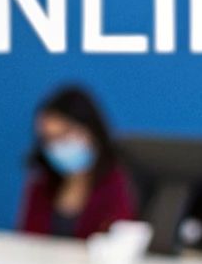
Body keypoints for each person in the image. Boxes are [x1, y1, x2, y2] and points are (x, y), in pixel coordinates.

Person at [17, 84, 139, 240]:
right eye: (49, 139)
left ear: (91, 130)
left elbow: (120, 240)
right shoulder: (42, 184)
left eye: (65, 134)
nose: (57, 146)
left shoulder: (115, 182)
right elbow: (28, 241)